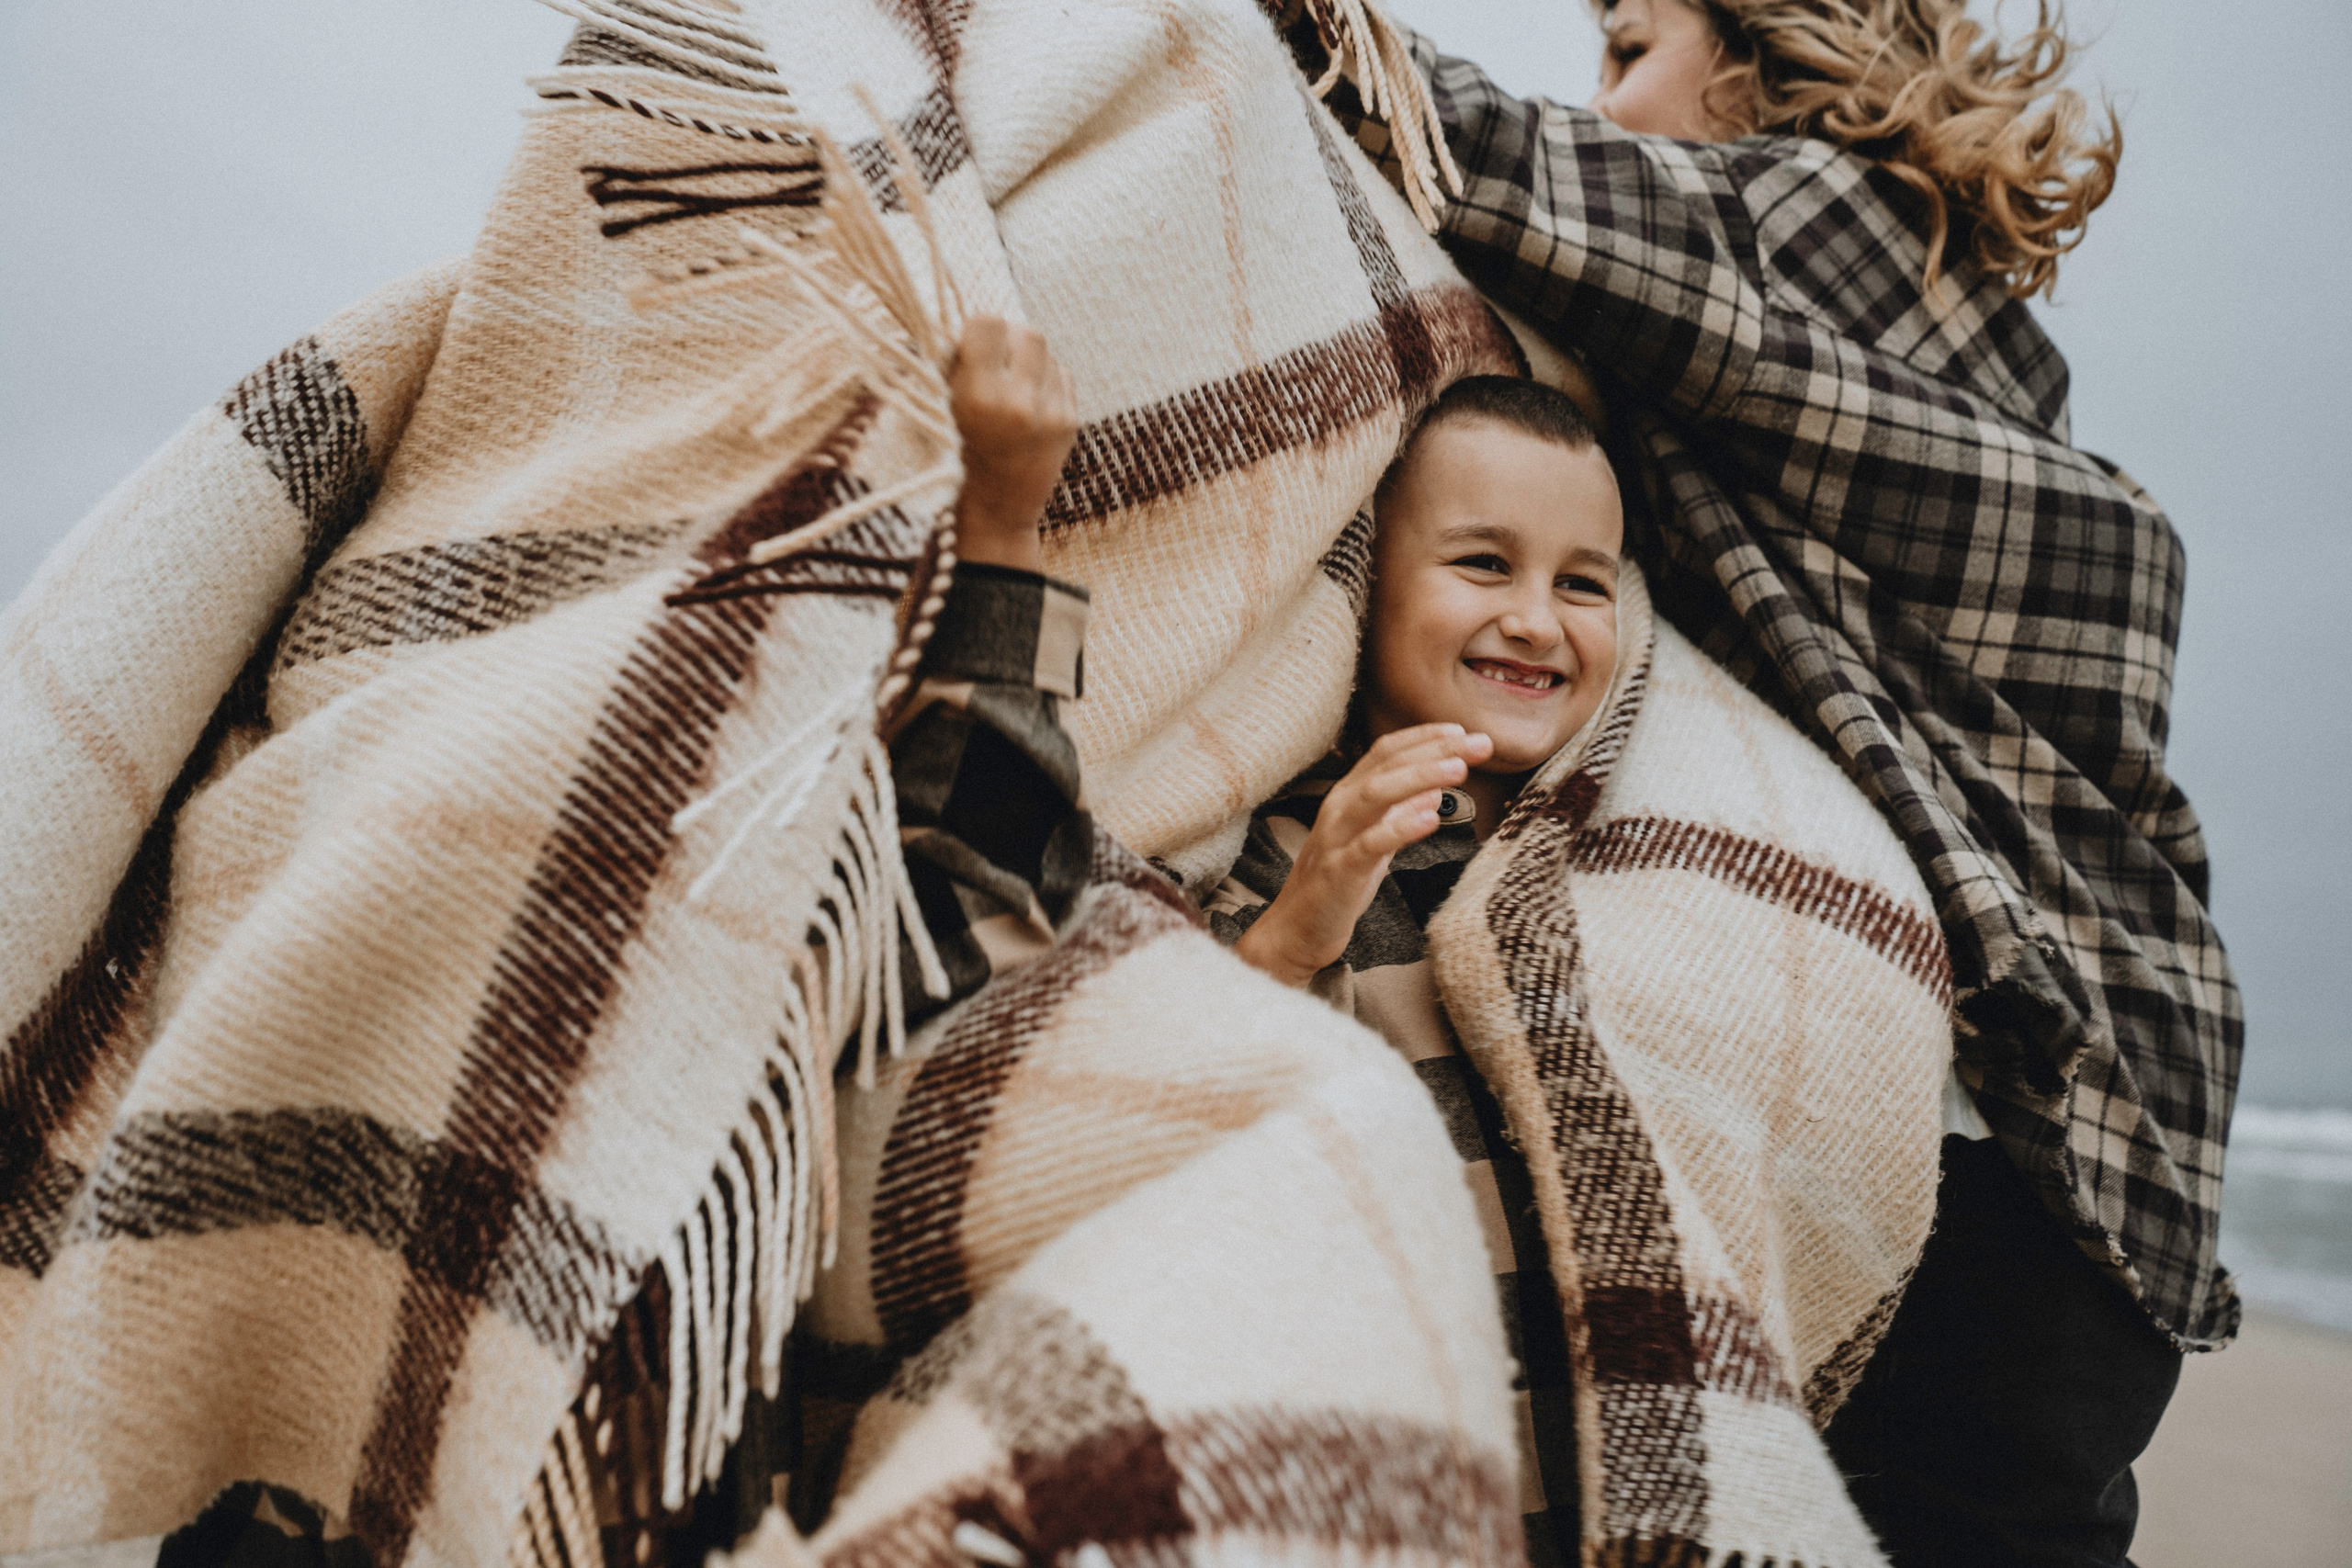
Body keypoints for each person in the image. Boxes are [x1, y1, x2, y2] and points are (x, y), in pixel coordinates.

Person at [1282, 1, 2235, 1563]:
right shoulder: (1956, 355)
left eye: (1630, 48)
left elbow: (1484, 152)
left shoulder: (1817, 222)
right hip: (2100, 1159)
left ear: (1762, 59)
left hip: (1979, 1147)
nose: (1600, 104)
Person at [1206, 373, 1620, 1563]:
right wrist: (1306, 918)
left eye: (1582, 583)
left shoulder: (1624, 857)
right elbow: (1199, 1101)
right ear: (1365, 584)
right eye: (1483, 565)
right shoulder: (1295, 844)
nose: (1536, 620)